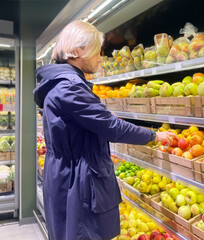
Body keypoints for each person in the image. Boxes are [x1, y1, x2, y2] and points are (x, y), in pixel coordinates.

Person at [33, 20, 178, 240]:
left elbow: (89, 124)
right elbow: (111, 128)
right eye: (97, 51)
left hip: (67, 174)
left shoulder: (60, 83)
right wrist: (154, 135)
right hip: (78, 180)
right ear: (78, 50)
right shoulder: (70, 86)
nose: (101, 58)